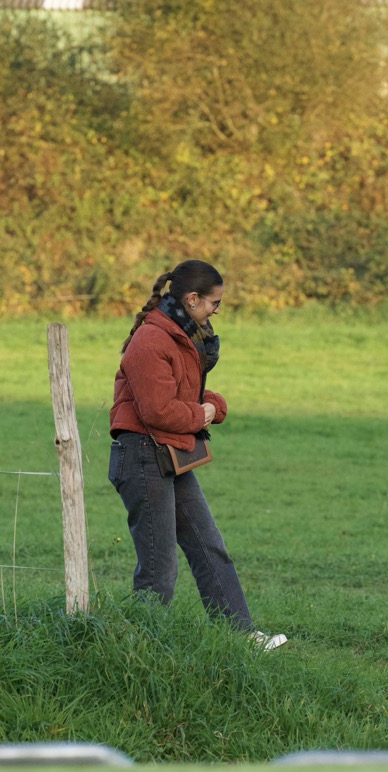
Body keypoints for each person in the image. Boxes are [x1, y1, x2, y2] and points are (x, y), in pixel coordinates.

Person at [108, 259, 286, 650]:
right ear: (192, 299)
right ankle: (138, 650)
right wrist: (202, 414)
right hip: (141, 456)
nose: (216, 310)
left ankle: (239, 638)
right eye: (213, 303)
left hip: (169, 452)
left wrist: (213, 406)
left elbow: (184, 394)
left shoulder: (179, 336)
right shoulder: (151, 340)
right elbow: (158, 410)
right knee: (158, 568)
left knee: (209, 546)